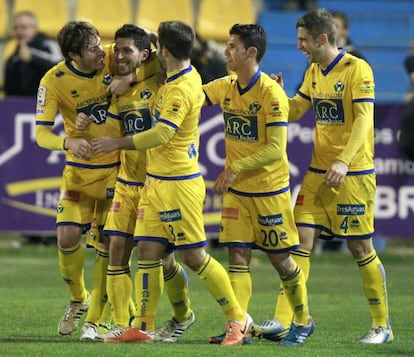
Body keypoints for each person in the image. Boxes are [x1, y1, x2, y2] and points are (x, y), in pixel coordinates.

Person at [91, 20, 252, 346]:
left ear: (164, 51)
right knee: (148, 250)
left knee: (194, 256)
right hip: (155, 182)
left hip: (179, 183)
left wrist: (116, 144)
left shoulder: (179, 88)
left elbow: (163, 133)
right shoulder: (183, 75)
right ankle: (144, 325)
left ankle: (238, 318)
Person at [256, 8, 393, 344]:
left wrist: (345, 161)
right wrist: (276, 97)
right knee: (298, 241)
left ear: (321, 38)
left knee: (360, 247)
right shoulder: (314, 71)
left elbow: (364, 120)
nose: (299, 46)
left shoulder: (357, 69)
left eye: (304, 40)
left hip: (353, 173)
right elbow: (296, 109)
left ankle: (382, 326)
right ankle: (285, 318)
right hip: (318, 172)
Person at [76, 24, 195, 342]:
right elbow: (114, 133)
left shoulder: (159, 79)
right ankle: (120, 323)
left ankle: (182, 314)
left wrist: (133, 74)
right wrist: (88, 128)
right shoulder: (118, 90)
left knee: (162, 258)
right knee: (116, 248)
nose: (118, 55)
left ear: (145, 55)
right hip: (128, 182)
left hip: (159, 182)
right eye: (117, 49)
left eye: (127, 50)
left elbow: (170, 56)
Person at [202, 23, 313, 346]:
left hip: (269, 191)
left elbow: (276, 149)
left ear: (251, 52)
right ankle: (238, 325)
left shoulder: (271, 93)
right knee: (237, 255)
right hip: (239, 194)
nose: (227, 51)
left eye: (233, 45)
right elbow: (192, 94)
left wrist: (236, 167)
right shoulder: (226, 86)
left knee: (280, 260)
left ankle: (303, 321)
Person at [35, 20, 133, 342]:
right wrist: (68, 141)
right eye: (91, 49)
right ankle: (79, 298)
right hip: (78, 170)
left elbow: (153, 63)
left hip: (114, 170)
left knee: (108, 245)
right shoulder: (53, 81)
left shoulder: (111, 57)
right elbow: (40, 133)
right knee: (65, 237)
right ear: (73, 55)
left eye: (98, 43)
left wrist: (129, 76)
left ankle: (101, 317)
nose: (100, 51)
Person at [4, 11, 62, 97]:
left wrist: (32, 58)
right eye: (15, 28)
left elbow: (61, 68)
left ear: (34, 28)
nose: (19, 32)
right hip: (22, 104)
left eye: (23, 27)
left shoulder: (48, 44)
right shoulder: (15, 55)